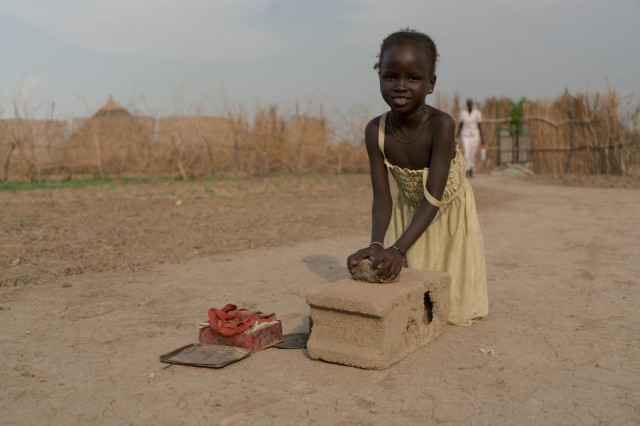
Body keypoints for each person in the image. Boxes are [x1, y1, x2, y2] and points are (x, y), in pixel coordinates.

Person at [346, 28, 488, 326]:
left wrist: (398, 248)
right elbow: (382, 196)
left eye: (413, 78)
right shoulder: (376, 131)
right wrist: (376, 244)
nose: (400, 86)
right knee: (413, 302)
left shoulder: (442, 125)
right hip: (410, 210)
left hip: (446, 210)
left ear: (431, 84)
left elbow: (434, 197)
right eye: (390, 76)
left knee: (449, 305)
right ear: (380, 78)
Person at [457, 98, 484, 178]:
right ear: (466, 104)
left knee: (472, 153)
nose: (469, 105)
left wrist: (483, 138)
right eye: (468, 103)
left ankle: (472, 169)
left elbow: (479, 126)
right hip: (465, 135)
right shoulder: (463, 113)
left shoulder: (477, 113)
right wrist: (456, 136)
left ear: (472, 104)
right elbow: (460, 125)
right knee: (466, 153)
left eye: (470, 103)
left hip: (475, 135)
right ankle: (466, 169)